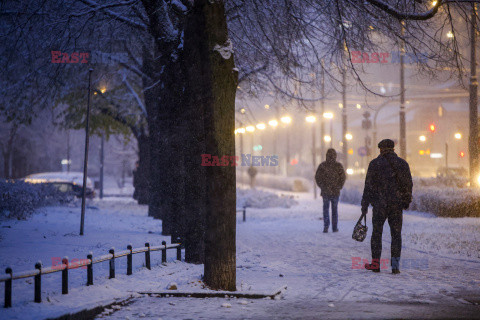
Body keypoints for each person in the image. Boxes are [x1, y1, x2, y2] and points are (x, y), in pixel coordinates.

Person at [361, 139, 413, 274]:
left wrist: (365, 204)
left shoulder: (375, 164)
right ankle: (395, 266)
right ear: (393, 149)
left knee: (377, 234)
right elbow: (408, 184)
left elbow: (368, 186)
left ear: (381, 149)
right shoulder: (402, 164)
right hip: (396, 205)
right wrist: (406, 201)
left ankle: (376, 265)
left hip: (379, 205)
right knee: (396, 235)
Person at [315, 148, 346, 233]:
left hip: (325, 191)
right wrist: (339, 186)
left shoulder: (322, 166)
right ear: (335, 156)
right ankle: (334, 227)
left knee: (326, 209)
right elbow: (343, 178)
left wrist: (322, 186)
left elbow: (317, 177)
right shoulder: (338, 166)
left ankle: (326, 226)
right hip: (335, 192)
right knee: (334, 210)